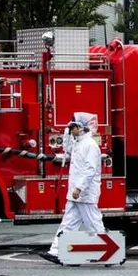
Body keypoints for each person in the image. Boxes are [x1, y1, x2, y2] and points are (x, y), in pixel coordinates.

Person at [40, 112, 105, 264]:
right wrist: (66, 132)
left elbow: (90, 170)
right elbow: (66, 147)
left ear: (80, 128)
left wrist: (79, 188)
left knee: (93, 223)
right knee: (68, 222)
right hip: (75, 193)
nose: (71, 129)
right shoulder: (78, 144)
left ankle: (105, 250)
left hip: (85, 192)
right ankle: (56, 250)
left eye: (72, 127)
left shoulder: (90, 146)